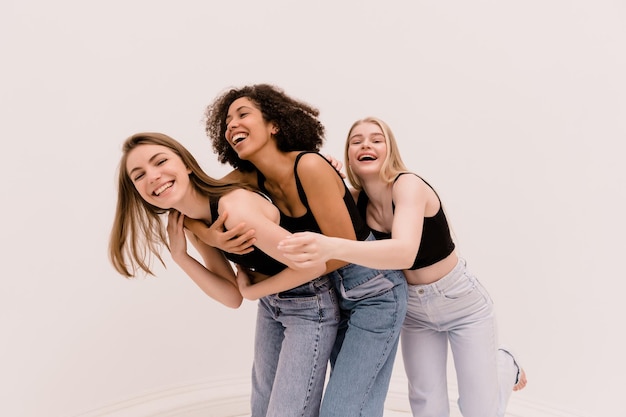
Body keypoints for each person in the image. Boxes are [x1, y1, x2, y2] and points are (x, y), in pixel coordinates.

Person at [277, 117, 527, 417]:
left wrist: (332, 246)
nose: (366, 144)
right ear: (349, 156)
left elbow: (404, 253)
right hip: (414, 312)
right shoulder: (357, 201)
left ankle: (504, 364)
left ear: (389, 150)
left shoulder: (407, 185)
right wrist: (324, 170)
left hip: (462, 303)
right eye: (356, 141)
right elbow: (317, 204)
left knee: (479, 410)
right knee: (426, 406)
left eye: (376, 139)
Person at [192, 84, 408, 417]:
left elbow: (340, 253)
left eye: (243, 114)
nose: (231, 124)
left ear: (274, 124)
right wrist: (210, 236)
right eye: (226, 122)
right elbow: (197, 199)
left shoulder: (309, 166)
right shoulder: (249, 178)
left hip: (372, 292)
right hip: (328, 293)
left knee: (345, 409)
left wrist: (260, 289)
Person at [108, 132, 339, 417]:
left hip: (310, 302)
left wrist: (254, 291)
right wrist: (181, 257)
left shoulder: (234, 209)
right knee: (262, 408)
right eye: (139, 175)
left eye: (160, 161)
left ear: (186, 164)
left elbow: (313, 265)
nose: (153, 176)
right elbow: (231, 296)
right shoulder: (190, 220)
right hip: (273, 305)